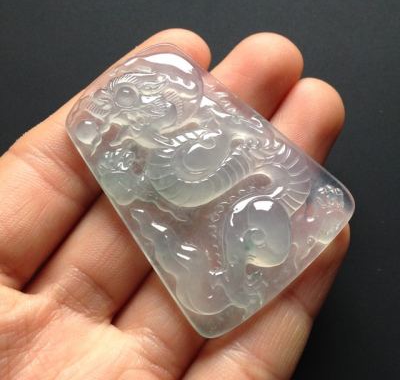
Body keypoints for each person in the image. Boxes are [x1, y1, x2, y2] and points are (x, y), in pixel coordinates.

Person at [0, 29, 349, 379]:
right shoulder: (152, 146)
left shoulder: (207, 124)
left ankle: (279, 247)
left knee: (255, 214)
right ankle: (242, 275)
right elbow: (148, 188)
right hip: (236, 216)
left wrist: (235, 152)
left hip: (262, 203)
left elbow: (222, 153)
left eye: (131, 98)